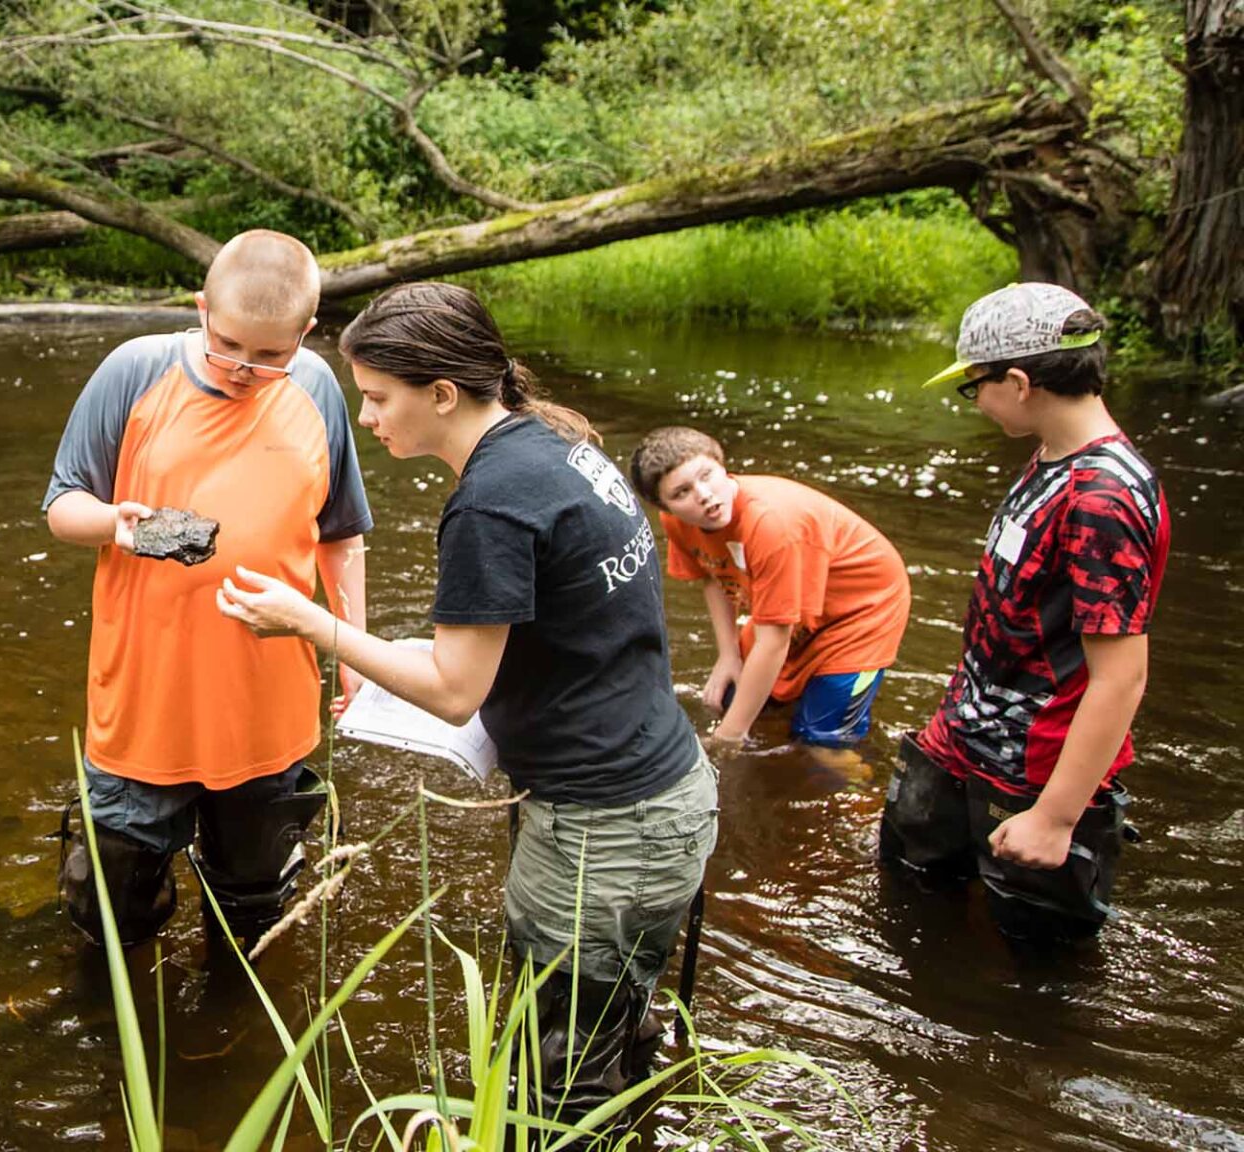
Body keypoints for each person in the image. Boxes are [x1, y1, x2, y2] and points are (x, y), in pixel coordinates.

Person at [217, 282, 716, 1106]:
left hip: (603, 830)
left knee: (558, 1074)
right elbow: (568, 618)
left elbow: (453, 694)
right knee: (616, 1027)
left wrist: (312, 623)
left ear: (442, 393)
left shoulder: (490, 502)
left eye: (378, 398)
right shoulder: (552, 442)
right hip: (664, 789)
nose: (367, 419)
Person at [43, 230, 372, 949]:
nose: (244, 369)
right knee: (112, 912)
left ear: (306, 335)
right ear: (200, 309)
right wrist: (116, 525)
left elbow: (340, 536)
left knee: (256, 920)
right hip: (142, 710)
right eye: (227, 345)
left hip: (268, 713)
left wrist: (353, 655)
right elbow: (62, 506)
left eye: (269, 355)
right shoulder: (135, 371)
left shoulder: (316, 387)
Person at [879, 282, 1169, 941]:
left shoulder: (1103, 499)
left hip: (1035, 773)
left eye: (973, 386)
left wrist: (1057, 818)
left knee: (1037, 968)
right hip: (962, 738)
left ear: (1018, 381)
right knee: (909, 900)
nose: (975, 402)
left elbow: (1121, 677)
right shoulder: (1052, 457)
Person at [629, 427, 911, 767]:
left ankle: (867, 798)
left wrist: (729, 737)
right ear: (666, 507)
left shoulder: (771, 523)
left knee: (821, 740)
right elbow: (712, 575)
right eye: (682, 492)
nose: (703, 495)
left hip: (860, 611)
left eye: (707, 475)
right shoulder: (680, 523)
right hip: (795, 595)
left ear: (722, 465)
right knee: (736, 698)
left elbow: (774, 641)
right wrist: (728, 655)